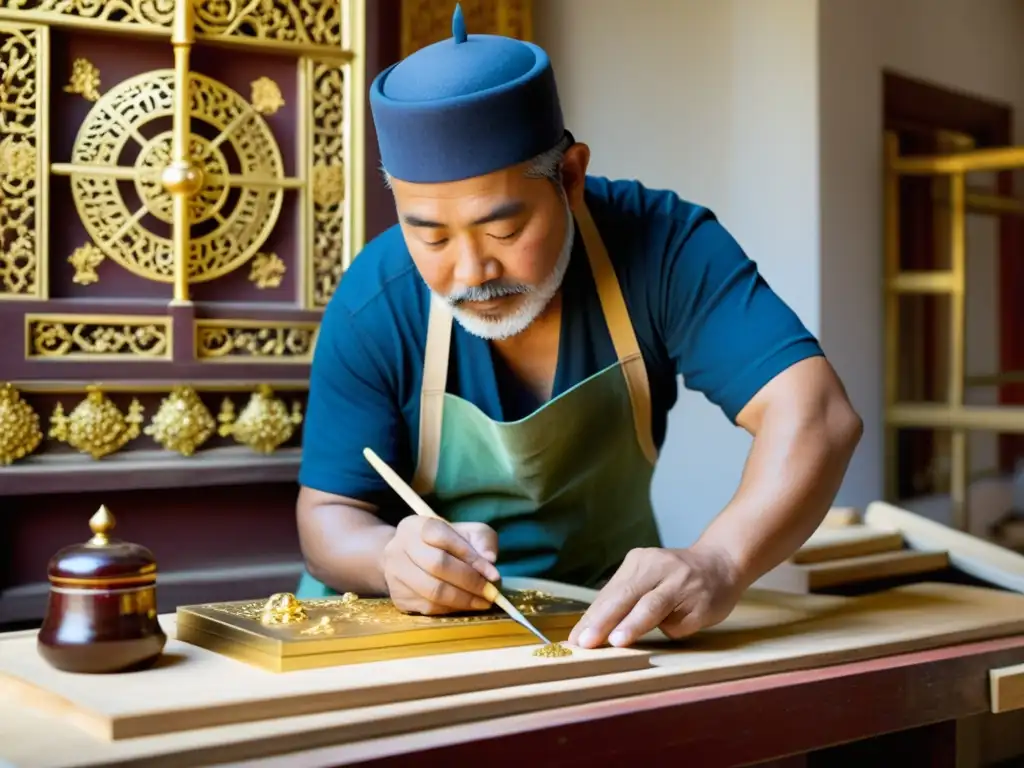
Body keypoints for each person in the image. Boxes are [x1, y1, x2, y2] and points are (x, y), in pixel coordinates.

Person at [295, 5, 862, 650]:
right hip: (402, 633)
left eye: (504, 230)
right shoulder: (377, 297)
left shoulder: (664, 247)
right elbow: (328, 517)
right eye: (429, 237)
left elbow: (815, 415)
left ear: (570, 177)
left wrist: (721, 561)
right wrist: (389, 560)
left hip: (599, 623)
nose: (470, 271)